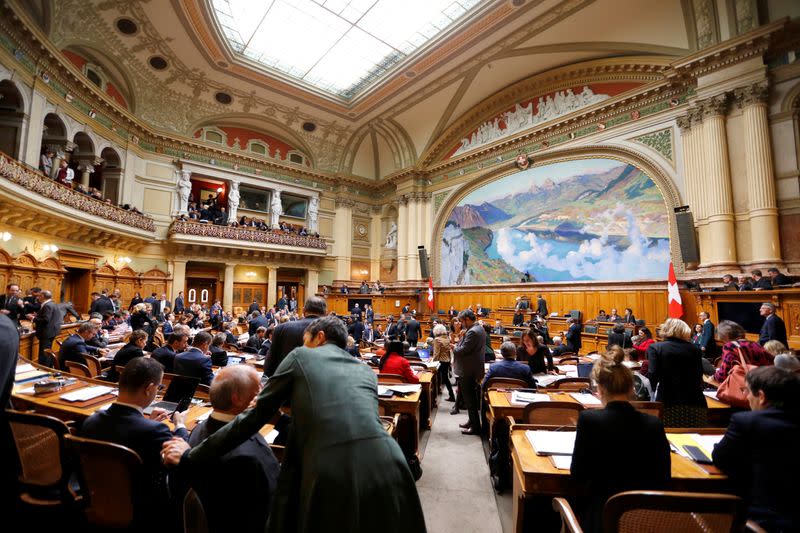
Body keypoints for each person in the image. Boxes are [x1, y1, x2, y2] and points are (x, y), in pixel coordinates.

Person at [162, 316, 426, 533]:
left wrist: (190, 456)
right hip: (390, 462)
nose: (303, 345)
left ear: (319, 337)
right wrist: (281, 418)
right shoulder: (364, 370)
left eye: (305, 340)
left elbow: (252, 418)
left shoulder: (301, 356)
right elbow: (341, 421)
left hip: (333, 468)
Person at [81, 357, 189, 531]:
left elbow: (125, 432)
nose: (158, 392)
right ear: (149, 389)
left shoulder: (90, 421)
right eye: (159, 387)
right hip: (145, 508)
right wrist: (180, 425)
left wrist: (148, 421)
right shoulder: (155, 431)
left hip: (99, 499)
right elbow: (177, 453)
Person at [571, 347, 670, 532]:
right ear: (632, 388)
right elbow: (664, 478)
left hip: (601, 518)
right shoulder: (654, 424)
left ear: (599, 389)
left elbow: (578, 474)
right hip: (645, 520)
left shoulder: (589, 420)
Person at [188, 365, 280, 533]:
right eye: (259, 390)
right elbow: (272, 501)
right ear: (237, 399)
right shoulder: (248, 456)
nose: (263, 396)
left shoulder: (197, 429)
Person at [713, 367, 800, 531]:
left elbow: (721, 458)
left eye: (746, 391)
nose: (745, 396)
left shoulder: (746, 421)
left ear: (761, 396)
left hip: (763, 519)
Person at [646, 318, 707, 427]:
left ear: (665, 329)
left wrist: (650, 398)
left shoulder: (655, 348)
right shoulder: (695, 349)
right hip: (695, 401)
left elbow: (653, 374)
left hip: (669, 401)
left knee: (670, 436)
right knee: (694, 436)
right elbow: (698, 375)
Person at [265, 296, 326, 377]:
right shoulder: (332, 331)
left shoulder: (281, 328)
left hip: (286, 384)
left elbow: (269, 366)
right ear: (325, 313)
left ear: (304, 311)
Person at [452, 309, 486, 435]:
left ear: (467, 319)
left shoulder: (473, 332)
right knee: (470, 399)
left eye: (461, 321)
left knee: (470, 400)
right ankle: (472, 421)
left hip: (468, 370)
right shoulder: (478, 328)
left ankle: (475, 427)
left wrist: (454, 347)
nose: (461, 323)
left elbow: (462, 350)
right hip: (473, 368)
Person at [32, 290, 62, 366]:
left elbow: (46, 320)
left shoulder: (47, 305)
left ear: (42, 296)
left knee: (44, 353)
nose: (38, 297)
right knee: (47, 351)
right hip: (51, 331)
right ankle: (49, 366)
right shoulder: (53, 304)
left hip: (46, 332)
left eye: (39, 296)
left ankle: (44, 369)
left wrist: (33, 318)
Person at [431, 323, 455, 401]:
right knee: (445, 379)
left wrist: (432, 364)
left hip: (440, 361)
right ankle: (451, 395)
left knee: (435, 379)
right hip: (447, 361)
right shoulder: (447, 338)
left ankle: (434, 397)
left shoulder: (437, 339)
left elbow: (436, 353)